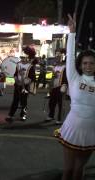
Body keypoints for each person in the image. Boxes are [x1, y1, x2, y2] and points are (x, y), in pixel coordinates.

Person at [55, 14, 95, 180]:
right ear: (80, 65)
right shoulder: (74, 77)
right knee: (68, 171)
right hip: (72, 128)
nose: (88, 66)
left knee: (79, 172)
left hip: (91, 131)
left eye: (92, 63)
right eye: (85, 63)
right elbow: (70, 56)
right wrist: (72, 32)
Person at [6, 46, 36, 122]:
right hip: (17, 85)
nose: (22, 58)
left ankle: (23, 114)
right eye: (22, 57)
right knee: (15, 100)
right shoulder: (18, 64)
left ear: (28, 56)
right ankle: (10, 115)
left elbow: (32, 78)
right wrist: (16, 80)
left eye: (24, 56)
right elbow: (15, 74)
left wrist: (25, 82)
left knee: (24, 101)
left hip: (25, 86)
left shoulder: (30, 66)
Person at [45, 49, 68, 125]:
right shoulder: (53, 66)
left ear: (62, 57)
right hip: (53, 87)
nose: (57, 57)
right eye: (56, 56)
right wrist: (50, 77)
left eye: (59, 56)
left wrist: (65, 86)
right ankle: (51, 115)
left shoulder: (65, 67)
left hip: (61, 87)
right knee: (51, 103)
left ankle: (59, 119)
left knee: (61, 104)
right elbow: (48, 77)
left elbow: (67, 78)